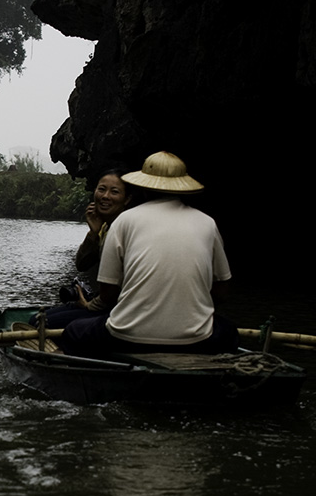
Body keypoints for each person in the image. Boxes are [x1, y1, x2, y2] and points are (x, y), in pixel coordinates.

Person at [61, 151, 237, 357]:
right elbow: (222, 291)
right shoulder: (207, 223)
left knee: (73, 331)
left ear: (142, 189)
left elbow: (108, 294)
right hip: (195, 340)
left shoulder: (124, 221)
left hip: (128, 337)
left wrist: (89, 306)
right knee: (230, 332)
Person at [41, 168, 132, 330]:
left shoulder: (126, 230)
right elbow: (81, 265)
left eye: (115, 192)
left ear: (127, 199)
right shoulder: (104, 227)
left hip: (118, 309)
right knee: (41, 317)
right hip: (102, 304)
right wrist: (93, 233)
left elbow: (110, 295)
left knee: (40, 322)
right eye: (101, 189)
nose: (105, 196)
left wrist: (88, 305)